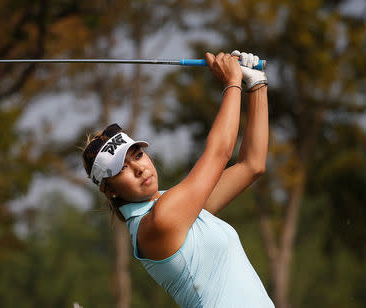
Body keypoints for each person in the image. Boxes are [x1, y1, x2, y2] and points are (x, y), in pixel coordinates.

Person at [82, 50, 274, 308]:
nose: (139, 168)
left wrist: (256, 85)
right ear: (109, 190)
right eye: (122, 169)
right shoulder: (160, 221)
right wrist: (232, 83)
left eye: (137, 155)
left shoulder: (178, 208)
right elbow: (219, 153)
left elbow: (252, 165)